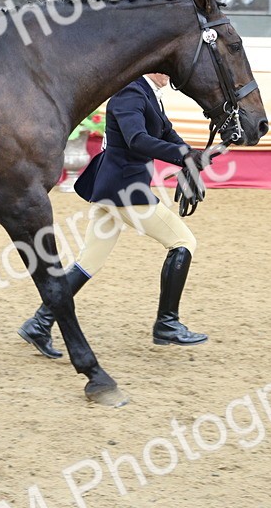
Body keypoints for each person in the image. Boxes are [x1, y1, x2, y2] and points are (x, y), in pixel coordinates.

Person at [17, 73, 208, 358]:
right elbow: (137, 140)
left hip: (111, 190)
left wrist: (191, 154)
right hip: (125, 190)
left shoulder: (148, 93)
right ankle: (167, 322)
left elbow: (166, 132)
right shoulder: (130, 93)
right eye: (164, 67)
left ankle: (40, 323)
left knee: (87, 263)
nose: (169, 73)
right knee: (183, 242)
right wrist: (182, 157)